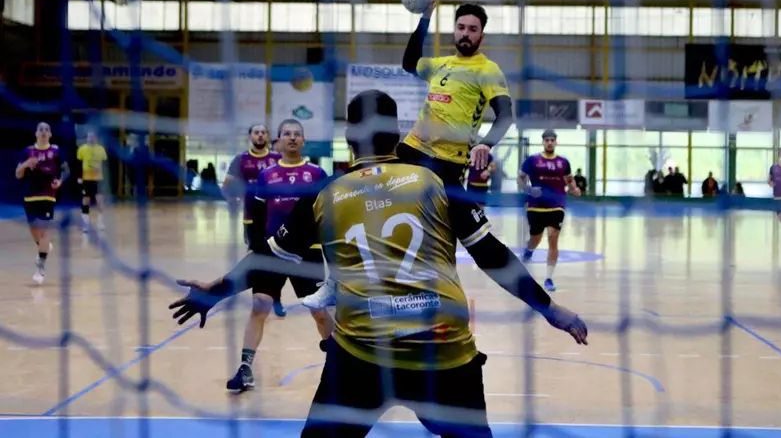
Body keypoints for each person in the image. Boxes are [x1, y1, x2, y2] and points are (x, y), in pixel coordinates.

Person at [168, 90, 588, 438]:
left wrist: (215, 292)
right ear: (398, 134)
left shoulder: (325, 194)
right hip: (441, 352)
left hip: (363, 356)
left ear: (349, 136)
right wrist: (550, 309)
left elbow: (267, 260)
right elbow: (492, 255)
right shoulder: (437, 182)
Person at [226, 119, 333, 393]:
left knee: (319, 312)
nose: (292, 138)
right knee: (259, 305)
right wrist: (256, 247)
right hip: (273, 252)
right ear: (279, 141)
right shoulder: (267, 175)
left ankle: (339, 363)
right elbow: (257, 216)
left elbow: (327, 216)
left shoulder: (317, 173)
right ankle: (245, 368)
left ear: (304, 141)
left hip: (308, 252)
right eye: (287, 134)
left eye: (297, 134)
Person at [399, 1, 513, 194]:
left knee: (450, 213)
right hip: (413, 148)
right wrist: (425, 18)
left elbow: (505, 115)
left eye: (472, 29)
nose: (465, 33)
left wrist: (486, 144)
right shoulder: (441, 64)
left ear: (482, 36)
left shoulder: (488, 70)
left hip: (448, 161)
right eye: (461, 27)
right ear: (454, 30)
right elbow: (409, 63)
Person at [222, 124, 284, 315]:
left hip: (274, 219)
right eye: (256, 132)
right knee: (254, 259)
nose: (260, 135)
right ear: (250, 136)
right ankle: (247, 296)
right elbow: (227, 185)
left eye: (263, 132)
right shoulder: (241, 160)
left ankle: (276, 298)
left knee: (278, 258)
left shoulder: (277, 158)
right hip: (252, 219)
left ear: (268, 136)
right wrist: (233, 198)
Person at [517, 130, 580, 292]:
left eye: (552, 140)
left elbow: (569, 179)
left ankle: (549, 278)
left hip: (557, 205)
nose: (550, 142)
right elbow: (520, 178)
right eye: (547, 140)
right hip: (536, 206)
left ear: (556, 142)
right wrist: (529, 190)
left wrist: (574, 188)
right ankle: (529, 250)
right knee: (535, 238)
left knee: (553, 237)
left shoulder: (563, 162)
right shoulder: (532, 160)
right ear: (543, 142)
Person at [15, 122, 70, 284]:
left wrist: (60, 181)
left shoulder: (56, 151)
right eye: (41, 130)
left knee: (45, 230)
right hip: (30, 196)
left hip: (48, 195)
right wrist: (25, 165)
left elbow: (66, 170)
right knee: (35, 231)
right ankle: (43, 246)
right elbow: (18, 174)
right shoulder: (28, 151)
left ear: (50, 134)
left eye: (47, 130)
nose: (44, 132)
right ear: (36, 134)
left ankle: (40, 267)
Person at [76, 131, 108, 233]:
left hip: (98, 179)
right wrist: (79, 177)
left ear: (96, 138)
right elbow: (78, 164)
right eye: (89, 136)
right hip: (86, 179)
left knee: (100, 201)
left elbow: (104, 165)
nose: (91, 138)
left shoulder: (101, 149)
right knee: (85, 200)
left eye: (93, 136)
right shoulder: (82, 149)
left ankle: (100, 222)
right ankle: (85, 224)